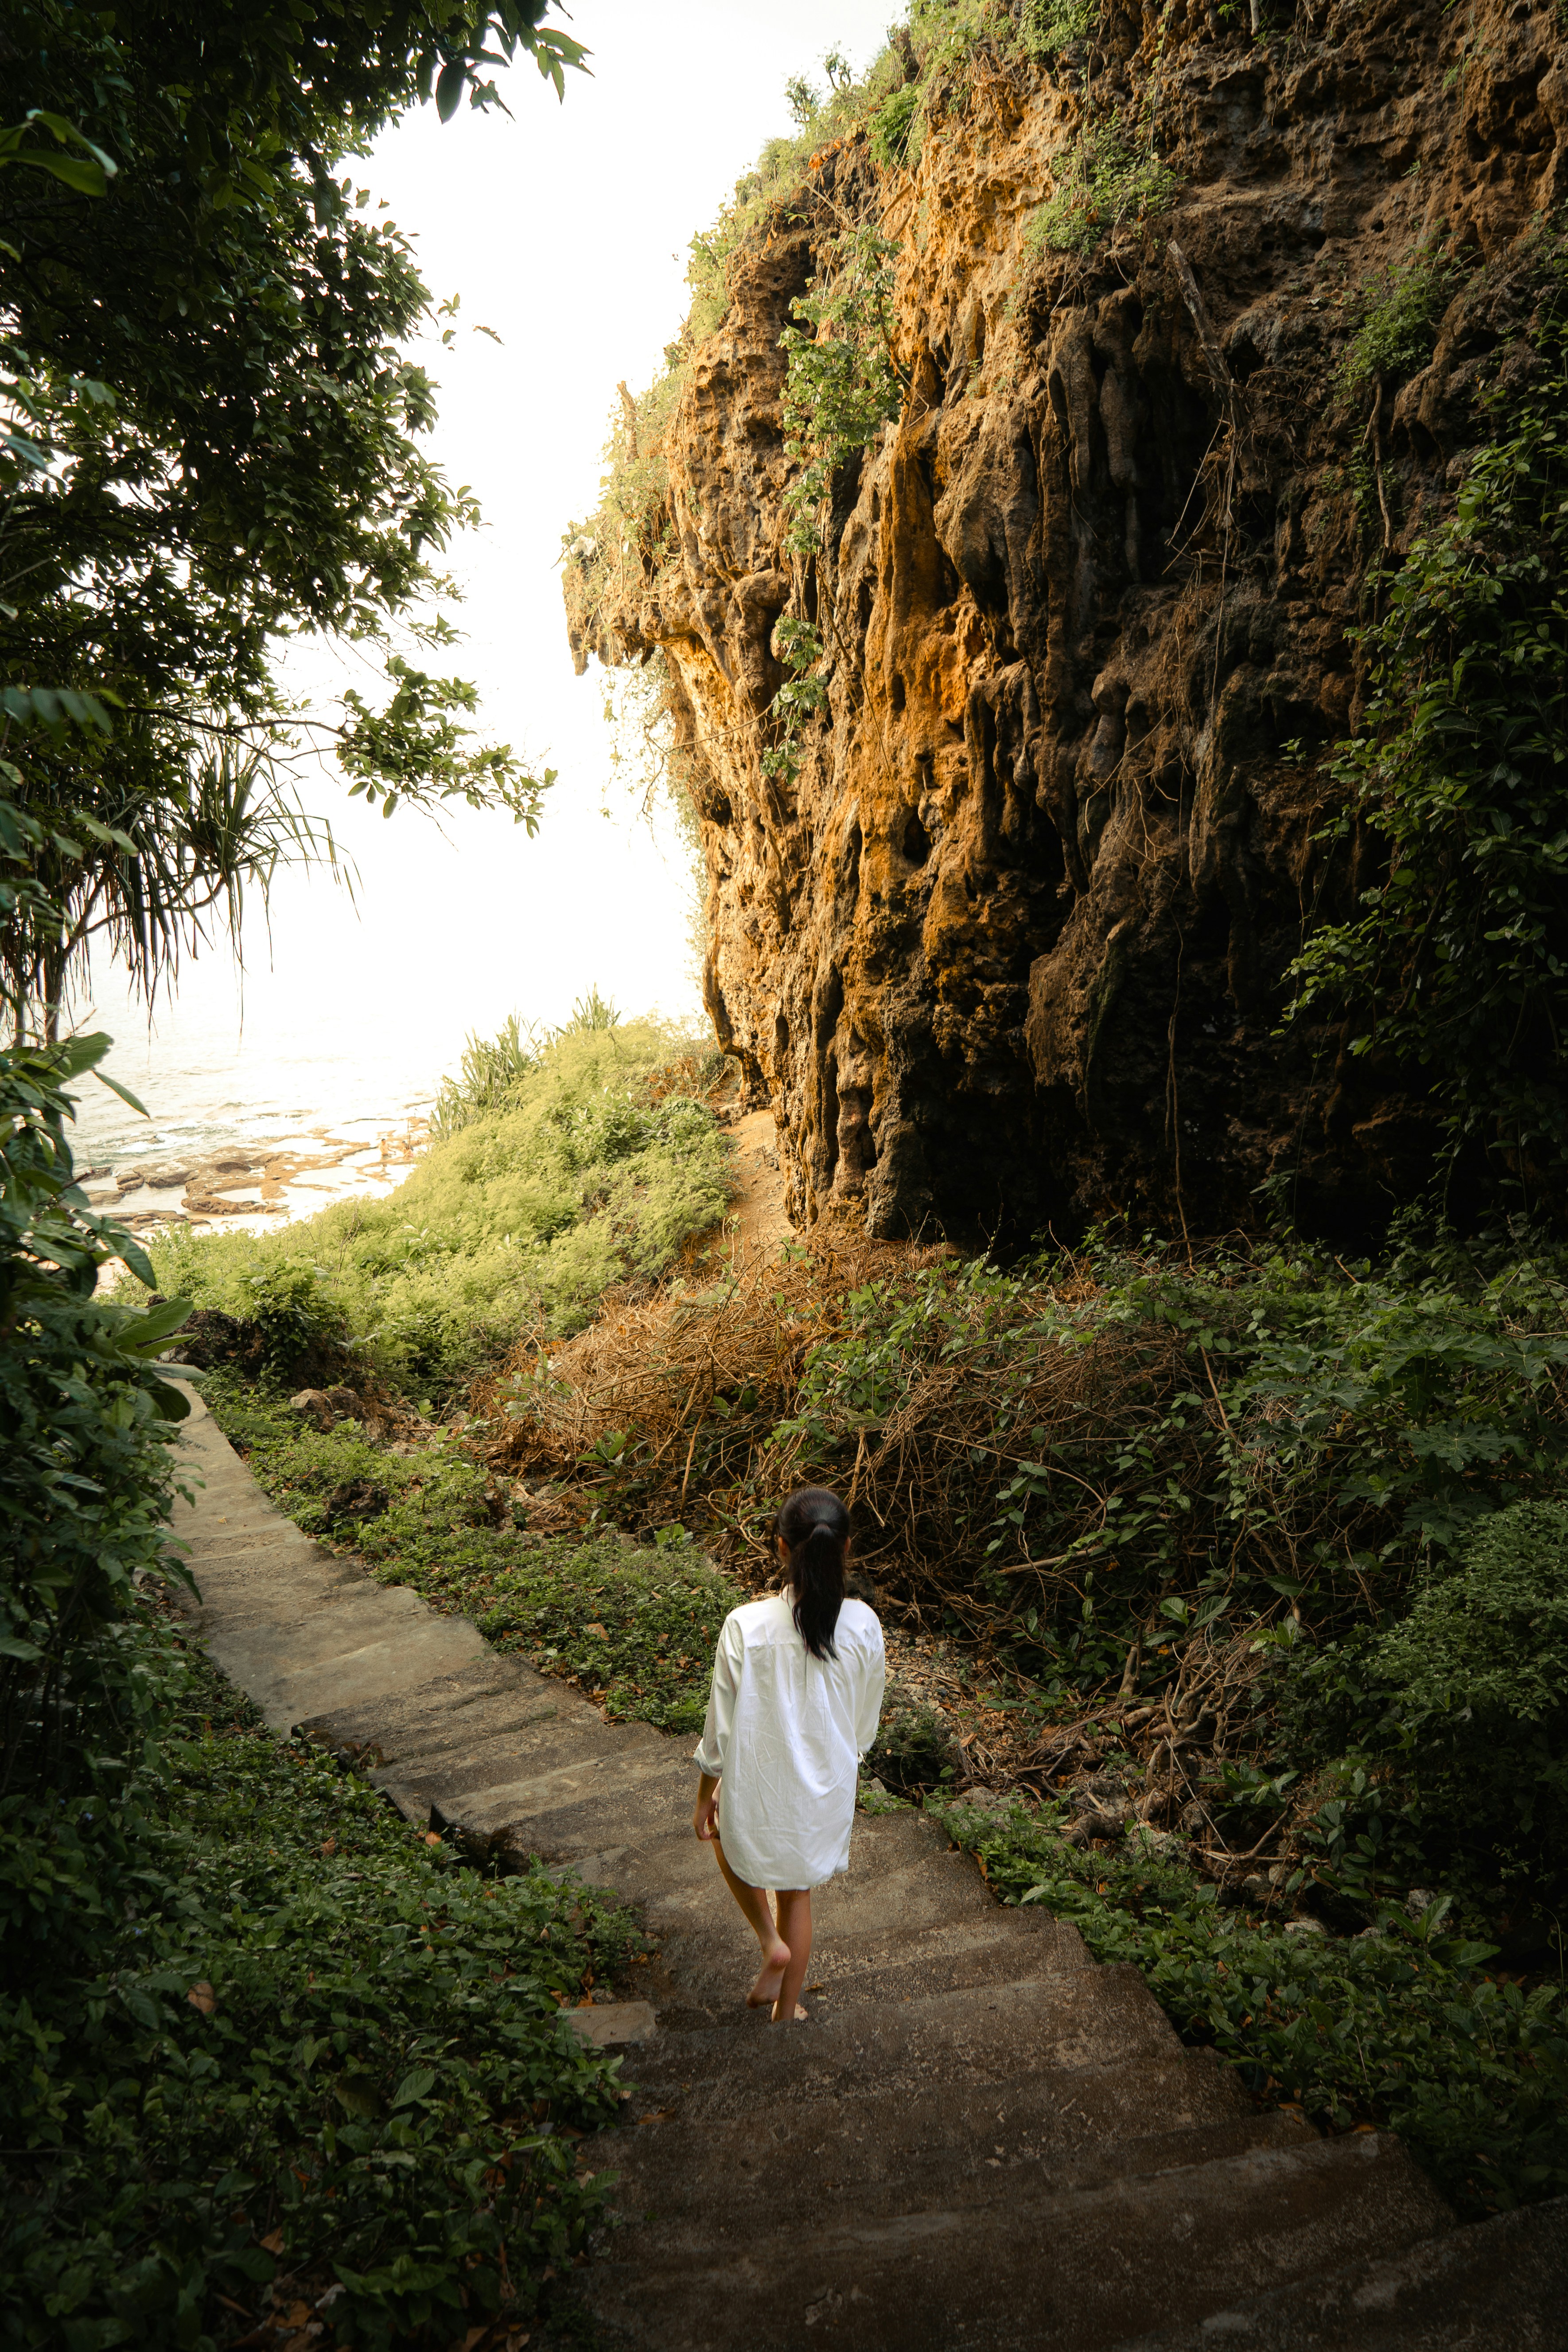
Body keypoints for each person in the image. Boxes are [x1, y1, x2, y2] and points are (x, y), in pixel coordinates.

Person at [691, 1485, 886, 2023]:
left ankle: (769, 1942)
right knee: (797, 1893)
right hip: (825, 1782)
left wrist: (706, 1792)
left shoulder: (746, 1624)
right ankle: (783, 2014)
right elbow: (863, 1727)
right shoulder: (864, 1624)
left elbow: (719, 1731)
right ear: (845, 1548)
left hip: (758, 1777)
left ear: (780, 1547)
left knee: (724, 1834)